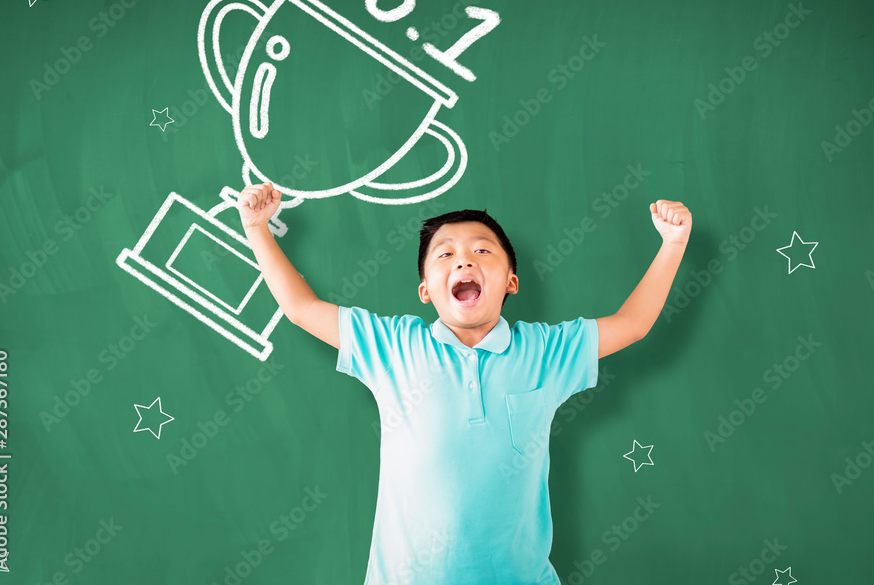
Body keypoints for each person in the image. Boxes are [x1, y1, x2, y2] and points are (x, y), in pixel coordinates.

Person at [237, 183, 691, 584]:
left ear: (511, 281)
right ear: (426, 290)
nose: (464, 261)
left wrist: (673, 244)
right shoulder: (393, 345)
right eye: (445, 254)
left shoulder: (547, 352)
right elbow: (301, 308)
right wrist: (257, 229)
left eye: (482, 251)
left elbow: (631, 323)